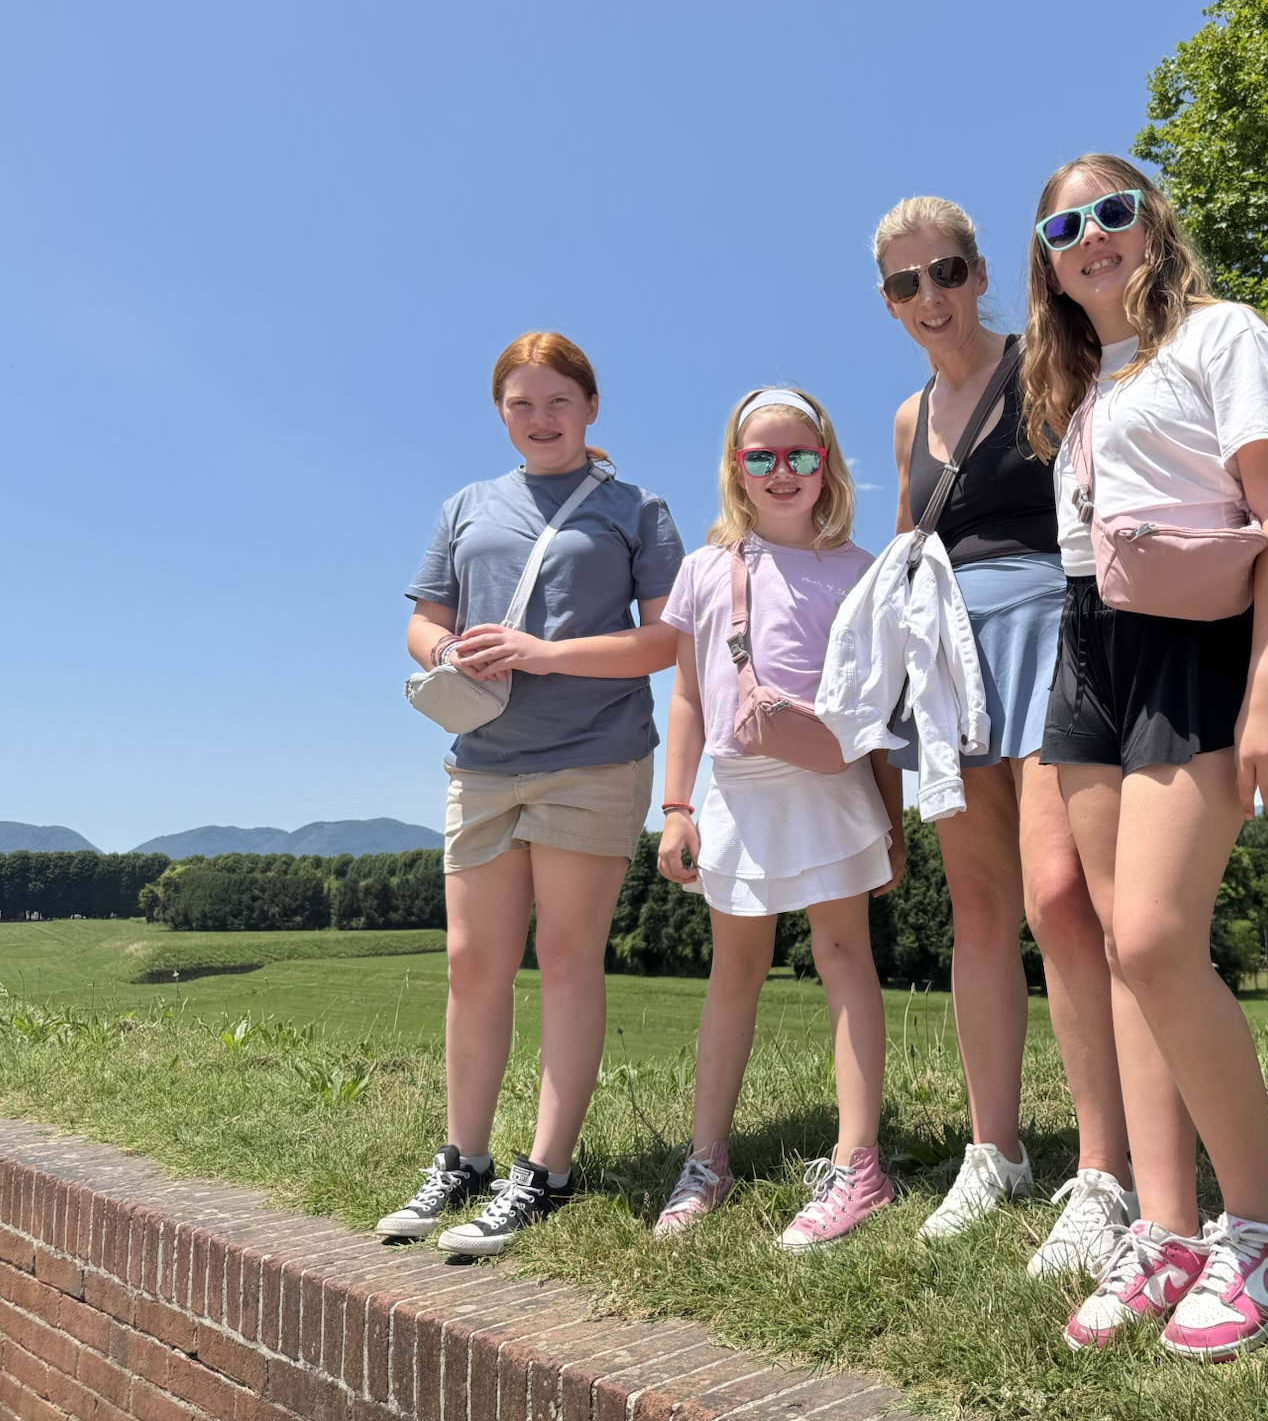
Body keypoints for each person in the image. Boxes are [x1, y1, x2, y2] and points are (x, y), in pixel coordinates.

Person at [1024, 156, 1268, 1362]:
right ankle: (1168, 1227)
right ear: (1047, 258)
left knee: (1152, 936)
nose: (1090, 235)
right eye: (1063, 223)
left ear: (1153, 221)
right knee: (1109, 947)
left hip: (1192, 644)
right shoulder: (1085, 387)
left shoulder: (1221, 335)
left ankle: (1265, 1225)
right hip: (1086, 644)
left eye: (1111, 210)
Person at [872, 197, 1135, 1272]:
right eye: (903, 285)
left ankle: (1107, 1169)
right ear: (886, 303)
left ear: (981, 272)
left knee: (1059, 898)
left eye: (944, 271)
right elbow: (902, 550)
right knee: (976, 910)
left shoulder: (1047, 360)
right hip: (948, 656)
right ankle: (995, 1152)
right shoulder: (904, 421)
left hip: (1050, 632)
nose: (928, 298)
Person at [379, 331, 684, 1256]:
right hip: (483, 760)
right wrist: (448, 653)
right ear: (500, 414)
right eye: (521, 403)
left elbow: (664, 641)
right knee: (471, 961)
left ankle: (544, 1173)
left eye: (558, 400)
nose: (540, 418)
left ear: (591, 408)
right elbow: (422, 621)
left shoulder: (637, 509)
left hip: (595, 756)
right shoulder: (468, 507)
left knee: (564, 959)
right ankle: (461, 1160)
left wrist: (542, 655)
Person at [650, 386, 906, 1250]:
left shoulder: (859, 569)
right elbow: (686, 695)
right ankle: (706, 1157)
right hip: (738, 792)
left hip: (829, 788)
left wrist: (894, 822)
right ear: (736, 469)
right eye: (762, 457)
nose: (783, 472)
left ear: (827, 462)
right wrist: (677, 807)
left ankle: (858, 1161)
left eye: (801, 455)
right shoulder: (705, 568)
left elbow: (875, 715)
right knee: (735, 971)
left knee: (843, 958)